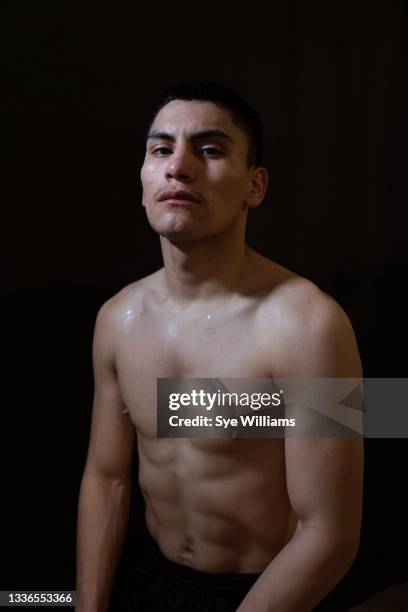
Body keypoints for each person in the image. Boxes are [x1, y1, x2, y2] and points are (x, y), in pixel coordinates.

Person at [76, 82, 364, 612]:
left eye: (209, 150)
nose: (178, 166)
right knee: (23, 601)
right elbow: (107, 476)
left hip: (264, 594)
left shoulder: (311, 325)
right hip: (147, 581)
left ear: (255, 186)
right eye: (161, 149)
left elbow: (331, 532)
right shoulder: (118, 318)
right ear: (143, 181)